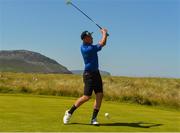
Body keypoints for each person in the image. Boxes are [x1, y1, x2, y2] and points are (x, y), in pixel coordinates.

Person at [63, 28, 108, 125]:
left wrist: (105, 36)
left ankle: (93, 119)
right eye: (90, 37)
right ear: (85, 39)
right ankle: (69, 112)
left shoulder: (90, 46)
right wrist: (104, 33)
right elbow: (102, 43)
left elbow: (102, 43)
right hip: (89, 74)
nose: (92, 38)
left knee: (99, 95)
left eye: (91, 36)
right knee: (86, 97)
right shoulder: (87, 49)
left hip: (96, 73)